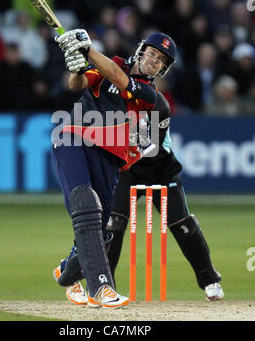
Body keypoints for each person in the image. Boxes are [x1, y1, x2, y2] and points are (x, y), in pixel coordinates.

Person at [51, 28, 177, 308]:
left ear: (163, 70)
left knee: (102, 230)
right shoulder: (113, 63)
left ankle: (67, 274)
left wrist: (89, 52)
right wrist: (78, 67)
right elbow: (78, 83)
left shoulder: (149, 94)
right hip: (73, 137)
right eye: (153, 54)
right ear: (141, 50)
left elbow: (120, 80)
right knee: (84, 202)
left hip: (110, 157)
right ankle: (101, 288)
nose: (154, 61)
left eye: (161, 61)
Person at [106, 96, 224, 302]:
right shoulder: (115, 100)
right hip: (127, 171)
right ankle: (104, 284)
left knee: (182, 224)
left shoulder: (157, 103)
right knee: (113, 223)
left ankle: (209, 280)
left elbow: (152, 148)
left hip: (161, 169)